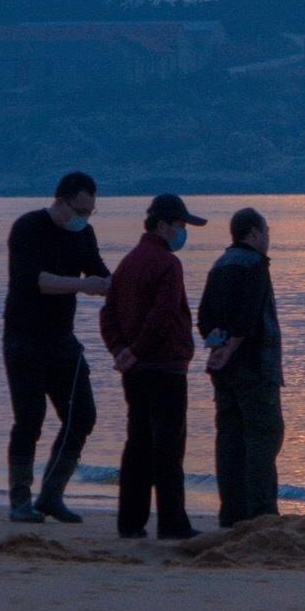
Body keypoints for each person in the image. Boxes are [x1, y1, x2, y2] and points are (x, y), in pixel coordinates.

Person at [2, 171, 110, 523]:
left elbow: (100, 275)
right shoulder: (28, 228)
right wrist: (83, 286)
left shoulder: (84, 235)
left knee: (82, 416)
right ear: (61, 202)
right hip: (24, 339)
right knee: (30, 419)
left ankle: (51, 493)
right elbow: (37, 281)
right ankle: (20, 499)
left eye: (90, 213)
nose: (84, 219)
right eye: (79, 211)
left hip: (62, 340)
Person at [100, 193, 207, 540]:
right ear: (162, 225)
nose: (182, 233)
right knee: (168, 446)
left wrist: (121, 351)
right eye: (179, 226)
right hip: (164, 366)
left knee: (138, 444)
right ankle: (172, 522)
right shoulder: (167, 264)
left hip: (137, 370)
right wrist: (135, 350)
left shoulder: (128, 262)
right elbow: (163, 313)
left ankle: (130, 521)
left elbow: (108, 314)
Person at [198, 207, 285, 525]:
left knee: (230, 437)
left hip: (223, 369)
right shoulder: (255, 265)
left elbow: (204, 316)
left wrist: (217, 346)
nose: (268, 237)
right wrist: (232, 345)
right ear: (253, 233)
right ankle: (262, 512)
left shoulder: (219, 265)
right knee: (265, 435)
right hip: (255, 366)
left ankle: (231, 513)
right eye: (266, 230)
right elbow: (249, 316)